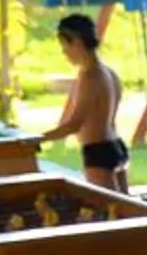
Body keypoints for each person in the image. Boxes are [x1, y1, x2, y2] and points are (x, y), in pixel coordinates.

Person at [42, 13, 129, 190]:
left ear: (77, 42)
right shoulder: (108, 73)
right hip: (116, 146)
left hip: (98, 153)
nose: (63, 52)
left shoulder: (90, 77)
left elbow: (73, 125)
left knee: (109, 213)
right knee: (124, 211)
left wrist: (34, 140)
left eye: (64, 46)